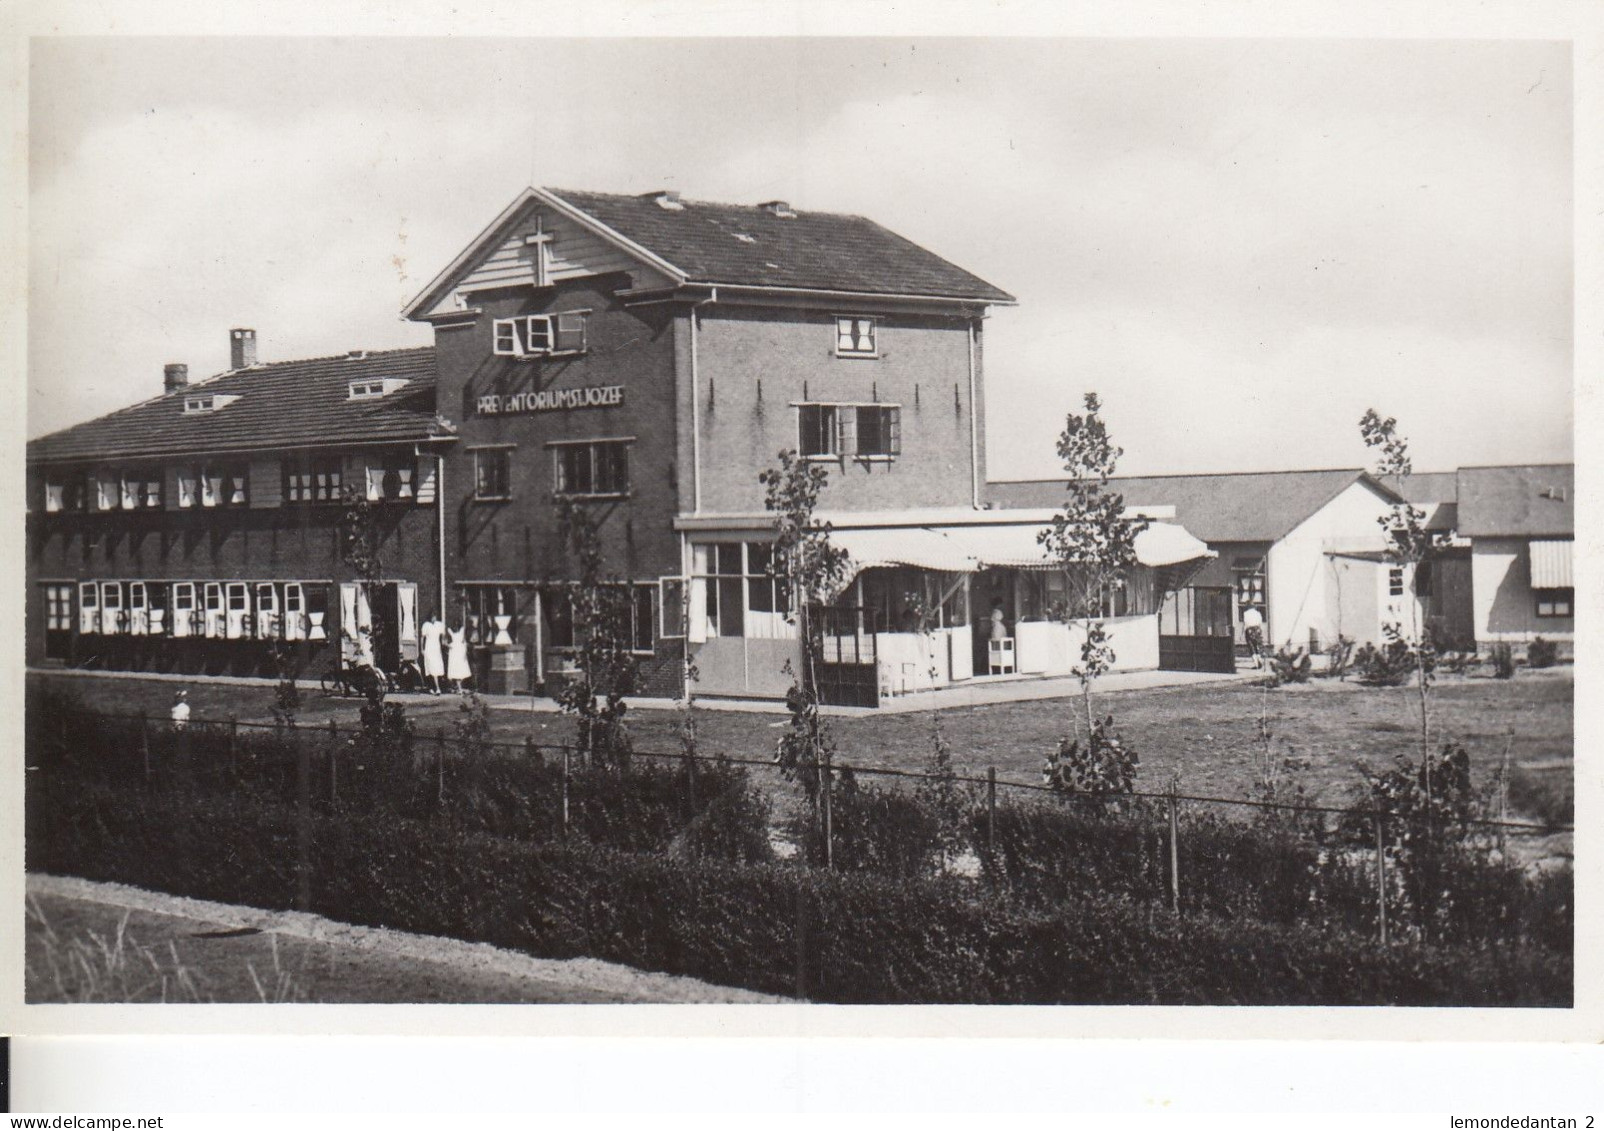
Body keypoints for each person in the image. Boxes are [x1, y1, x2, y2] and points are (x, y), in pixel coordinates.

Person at [419, 611, 446, 695]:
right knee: (431, 668)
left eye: (434, 617)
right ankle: (437, 688)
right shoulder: (426, 625)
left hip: (436, 648)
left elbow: (443, 635)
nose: (433, 619)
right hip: (429, 648)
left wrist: (444, 642)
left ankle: (432, 687)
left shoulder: (439, 624)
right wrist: (422, 649)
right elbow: (422, 638)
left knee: (437, 668)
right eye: (432, 617)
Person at [445, 617, 472, 693]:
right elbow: (445, 641)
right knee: (456, 668)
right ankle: (459, 688)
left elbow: (464, 640)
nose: (456, 625)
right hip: (454, 651)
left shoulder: (462, 630)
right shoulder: (450, 631)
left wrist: (465, 650)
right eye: (455, 624)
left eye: (457, 624)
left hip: (460, 650)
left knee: (462, 668)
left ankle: (457, 686)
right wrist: (449, 645)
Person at [1241, 605, 1266, 670]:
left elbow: (1245, 624)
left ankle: (1256, 664)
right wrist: (1261, 631)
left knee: (1251, 647)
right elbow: (1260, 623)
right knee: (1257, 646)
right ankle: (1260, 660)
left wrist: (1241, 634)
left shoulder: (1246, 613)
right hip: (1257, 629)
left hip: (1249, 630)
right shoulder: (1258, 613)